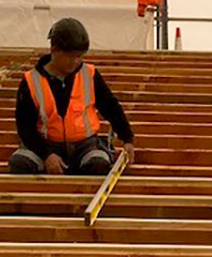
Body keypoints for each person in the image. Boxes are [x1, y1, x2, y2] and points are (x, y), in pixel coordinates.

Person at [9, 18, 135, 175]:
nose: (76, 61)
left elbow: (110, 107)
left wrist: (127, 138)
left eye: (80, 56)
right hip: (47, 144)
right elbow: (25, 127)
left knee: (98, 164)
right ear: (54, 50)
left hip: (85, 145)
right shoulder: (31, 81)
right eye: (71, 56)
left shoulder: (89, 74)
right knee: (20, 163)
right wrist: (47, 154)